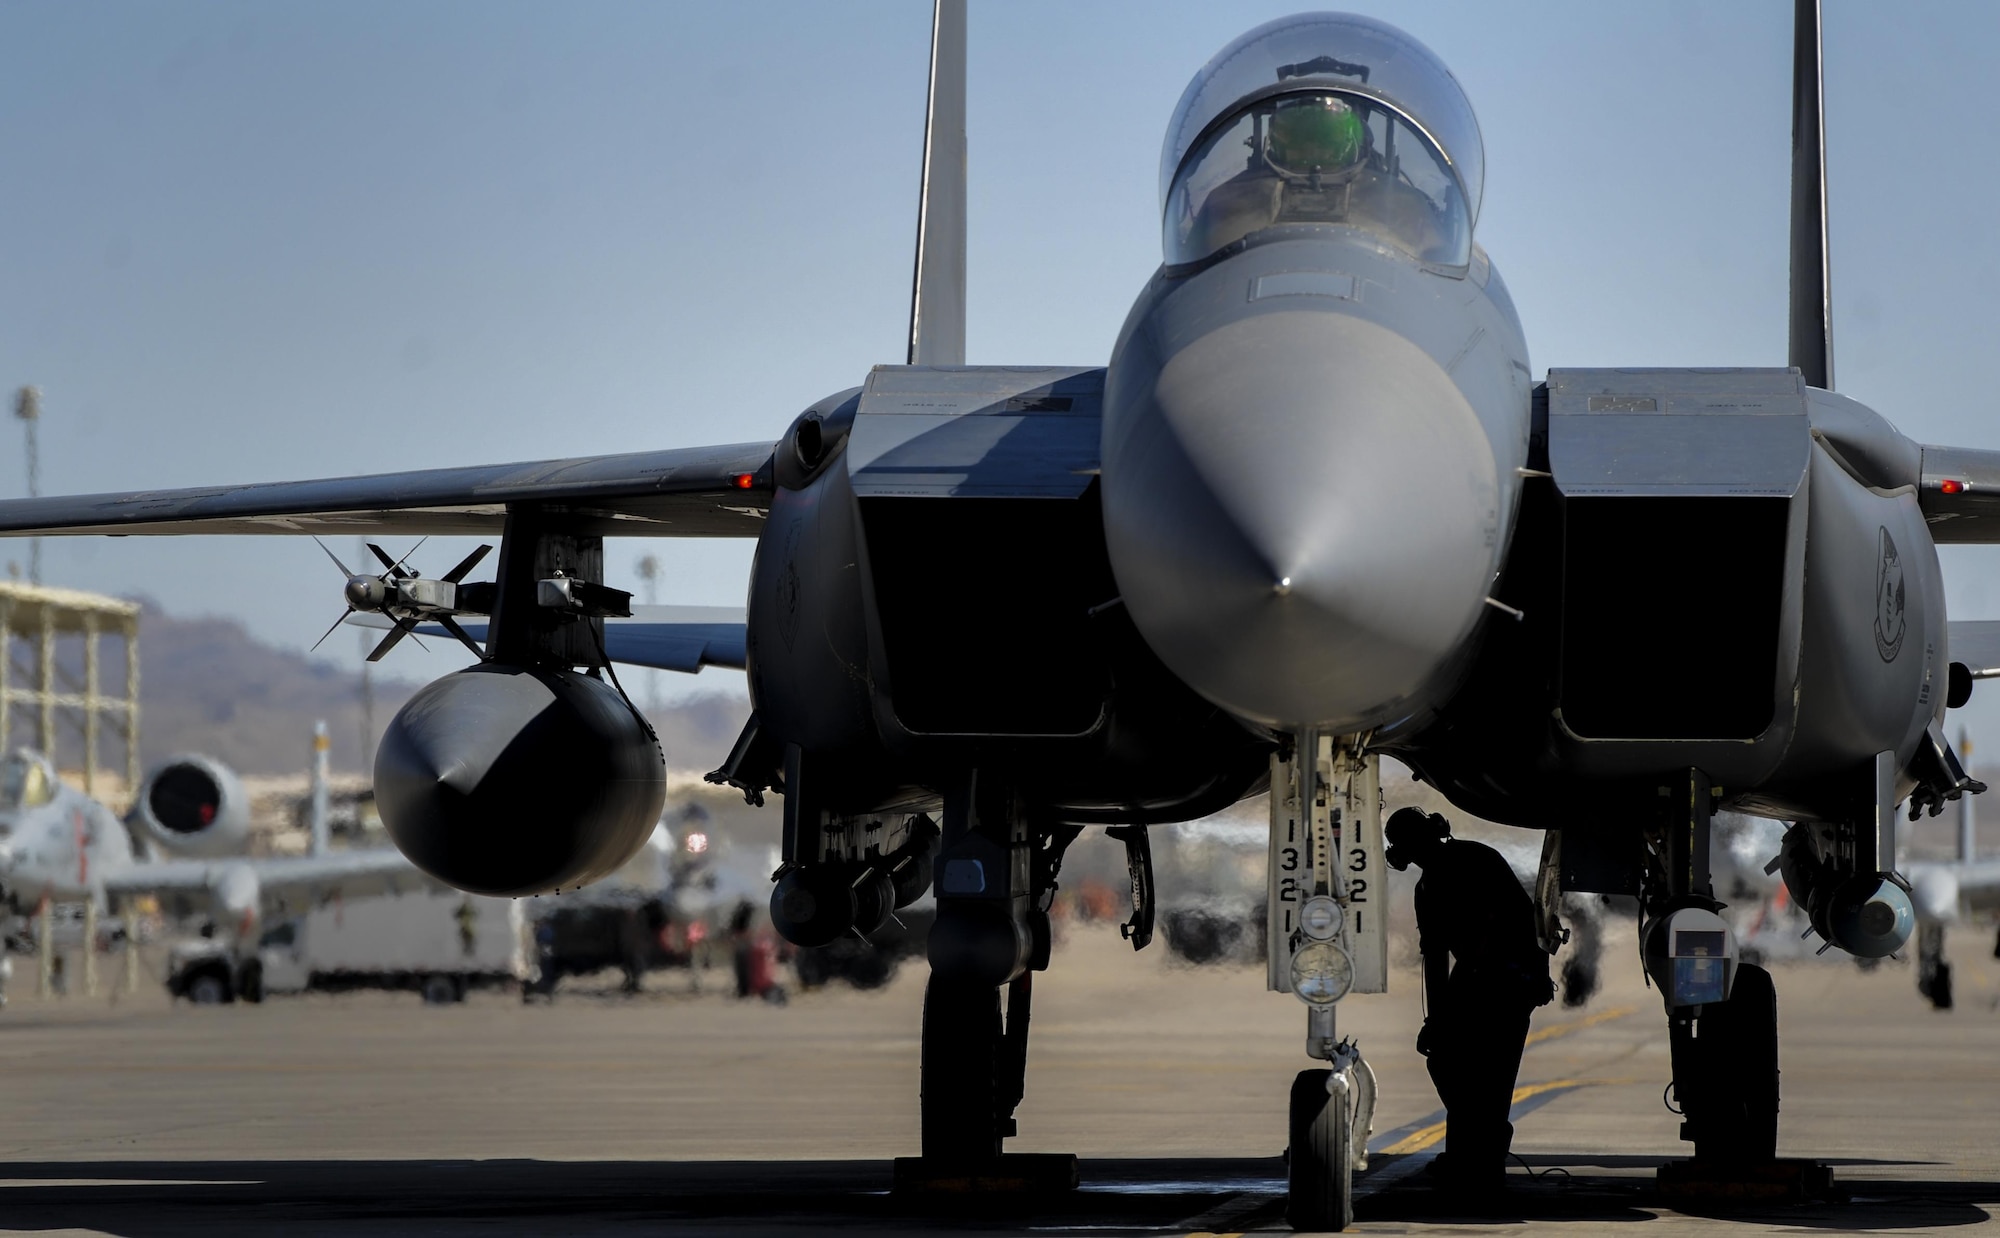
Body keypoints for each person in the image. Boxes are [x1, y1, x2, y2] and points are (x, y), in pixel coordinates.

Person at [1385, 806, 1553, 1193]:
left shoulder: (1476, 860)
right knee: (1451, 1063)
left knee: (1492, 1074)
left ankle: (1479, 1160)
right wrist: (1436, 1019)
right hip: (1480, 979)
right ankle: (1473, 1155)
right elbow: (1435, 956)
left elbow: (1528, 919)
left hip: (1508, 978)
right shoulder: (1428, 887)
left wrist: (1537, 974)